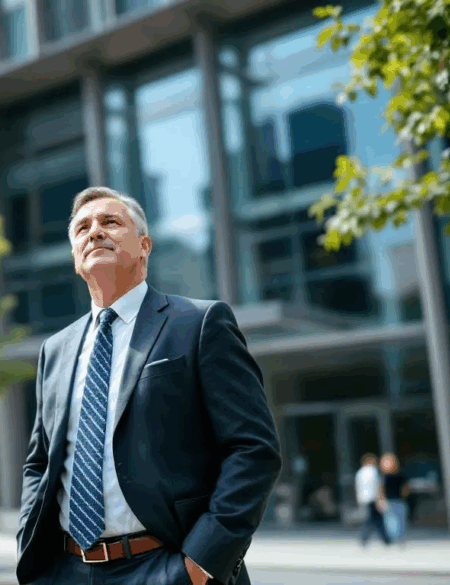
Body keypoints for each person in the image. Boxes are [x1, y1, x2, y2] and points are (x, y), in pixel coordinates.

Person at [16, 187, 282, 585]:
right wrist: (29, 547)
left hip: (166, 566)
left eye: (110, 222)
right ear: (75, 258)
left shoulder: (199, 324)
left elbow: (253, 449)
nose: (94, 233)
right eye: (83, 228)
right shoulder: (54, 350)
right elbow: (40, 463)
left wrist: (200, 564)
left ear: (144, 245)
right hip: (67, 569)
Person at [356, 453, 390, 547]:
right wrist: (380, 499)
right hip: (373, 498)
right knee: (375, 520)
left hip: (364, 499)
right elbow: (377, 486)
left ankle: (384, 539)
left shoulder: (360, 472)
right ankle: (385, 539)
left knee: (373, 519)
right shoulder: (373, 471)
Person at [378, 453, 410, 545]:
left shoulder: (400, 475)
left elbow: (405, 488)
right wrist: (380, 501)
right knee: (391, 522)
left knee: (400, 521)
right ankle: (395, 538)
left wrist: (404, 496)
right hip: (390, 501)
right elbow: (380, 490)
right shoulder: (384, 477)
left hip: (399, 501)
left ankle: (399, 538)